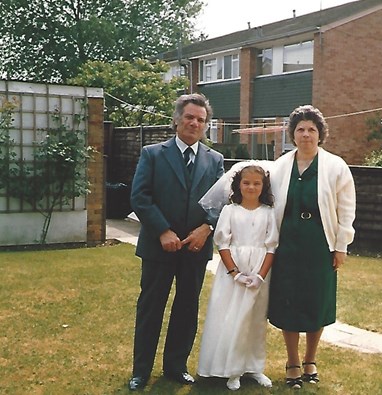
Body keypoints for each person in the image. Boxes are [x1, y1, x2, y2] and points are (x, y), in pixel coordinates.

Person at [127, 93, 224, 391]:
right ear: (177, 120)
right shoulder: (152, 154)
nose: (194, 123)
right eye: (189, 117)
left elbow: (222, 204)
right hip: (159, 247)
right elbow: (140, 197)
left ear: (205, 125)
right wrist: (162, 231)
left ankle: (176, 367)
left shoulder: (215, 159)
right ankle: (141, 371)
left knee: (186, 307)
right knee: (151, 307)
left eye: (200, 119)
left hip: (195, 248)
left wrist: (206, 228)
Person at [268, 105, 356, 389]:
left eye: (312, 130)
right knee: (289, 303)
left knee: (316, 303)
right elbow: (270, 207)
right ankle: (292, 361)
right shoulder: (280, 166)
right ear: (293, 134)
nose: (306, 134)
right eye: (300, 129)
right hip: (287, 246)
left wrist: (341, 245)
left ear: (320, 134)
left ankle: (310, 360)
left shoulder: (336, 166)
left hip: (320, 245)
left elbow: (346, 208)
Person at [197, 165, 278, 391]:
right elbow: (222, 243)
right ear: (238, 185)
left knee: (254, 320)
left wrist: (260, 276)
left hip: (259, 271)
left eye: (256, 183)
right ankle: (232, 369)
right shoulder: (230, 211)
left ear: (263, 187)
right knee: (231, 318)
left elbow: (272, 247)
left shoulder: (269, 212)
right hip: (233, 272)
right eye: (246, 183)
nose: (251, 187)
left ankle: (253, 367)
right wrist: (235, 273)